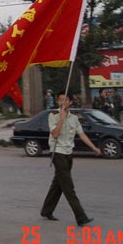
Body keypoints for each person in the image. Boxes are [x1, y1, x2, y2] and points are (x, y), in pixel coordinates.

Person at [41, 92, 101, 226]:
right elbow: (55, 134)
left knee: (58, 184)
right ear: (57, 102)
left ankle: (46, 210)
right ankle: (81, 217)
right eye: (60, 100)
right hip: (57, 152)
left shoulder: (74, 118)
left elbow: (82, 134)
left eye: (65, 100)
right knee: (68, 187)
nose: (62, 102)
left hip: (68, 153)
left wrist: (94, 147)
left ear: (70, 102)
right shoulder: (53, 116)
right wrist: (61, 119)